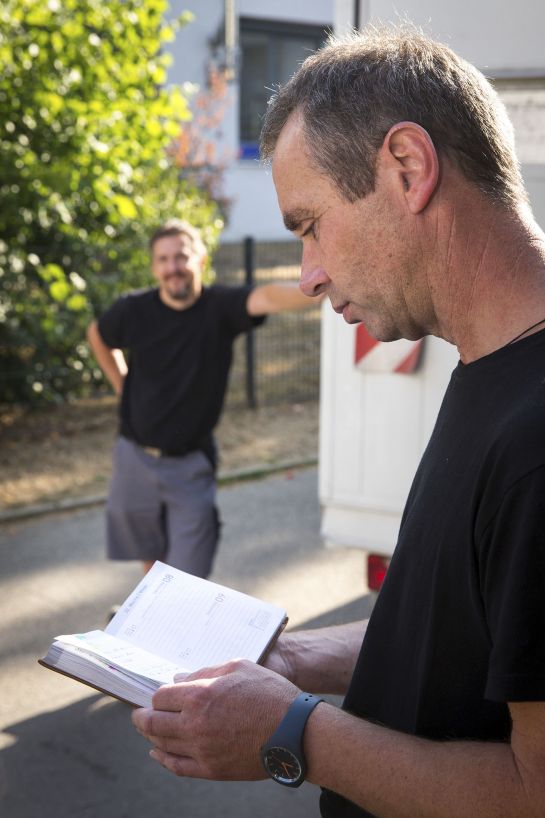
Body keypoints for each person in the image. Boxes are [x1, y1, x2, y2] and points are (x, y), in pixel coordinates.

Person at [131, 26, 545, 818]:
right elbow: (465, 638)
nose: (309, 275)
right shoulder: (490, 365)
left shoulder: (537, 439)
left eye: (310, 224)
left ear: (407, 168)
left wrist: (294, 732)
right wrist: (291, 657)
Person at [87, 219, 319, 578]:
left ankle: (171, 620)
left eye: (181, 256)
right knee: (149, 561)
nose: (172, 267)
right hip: (133, 456)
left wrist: (322, 284)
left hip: (189, 465)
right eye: (163, 260)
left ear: (201, 260)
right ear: (154, 267)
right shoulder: (134, 310)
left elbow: (268, 296)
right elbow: (98, 335)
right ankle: (154, 621)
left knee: (188, 576)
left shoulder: (220, 308)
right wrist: (121, 383)